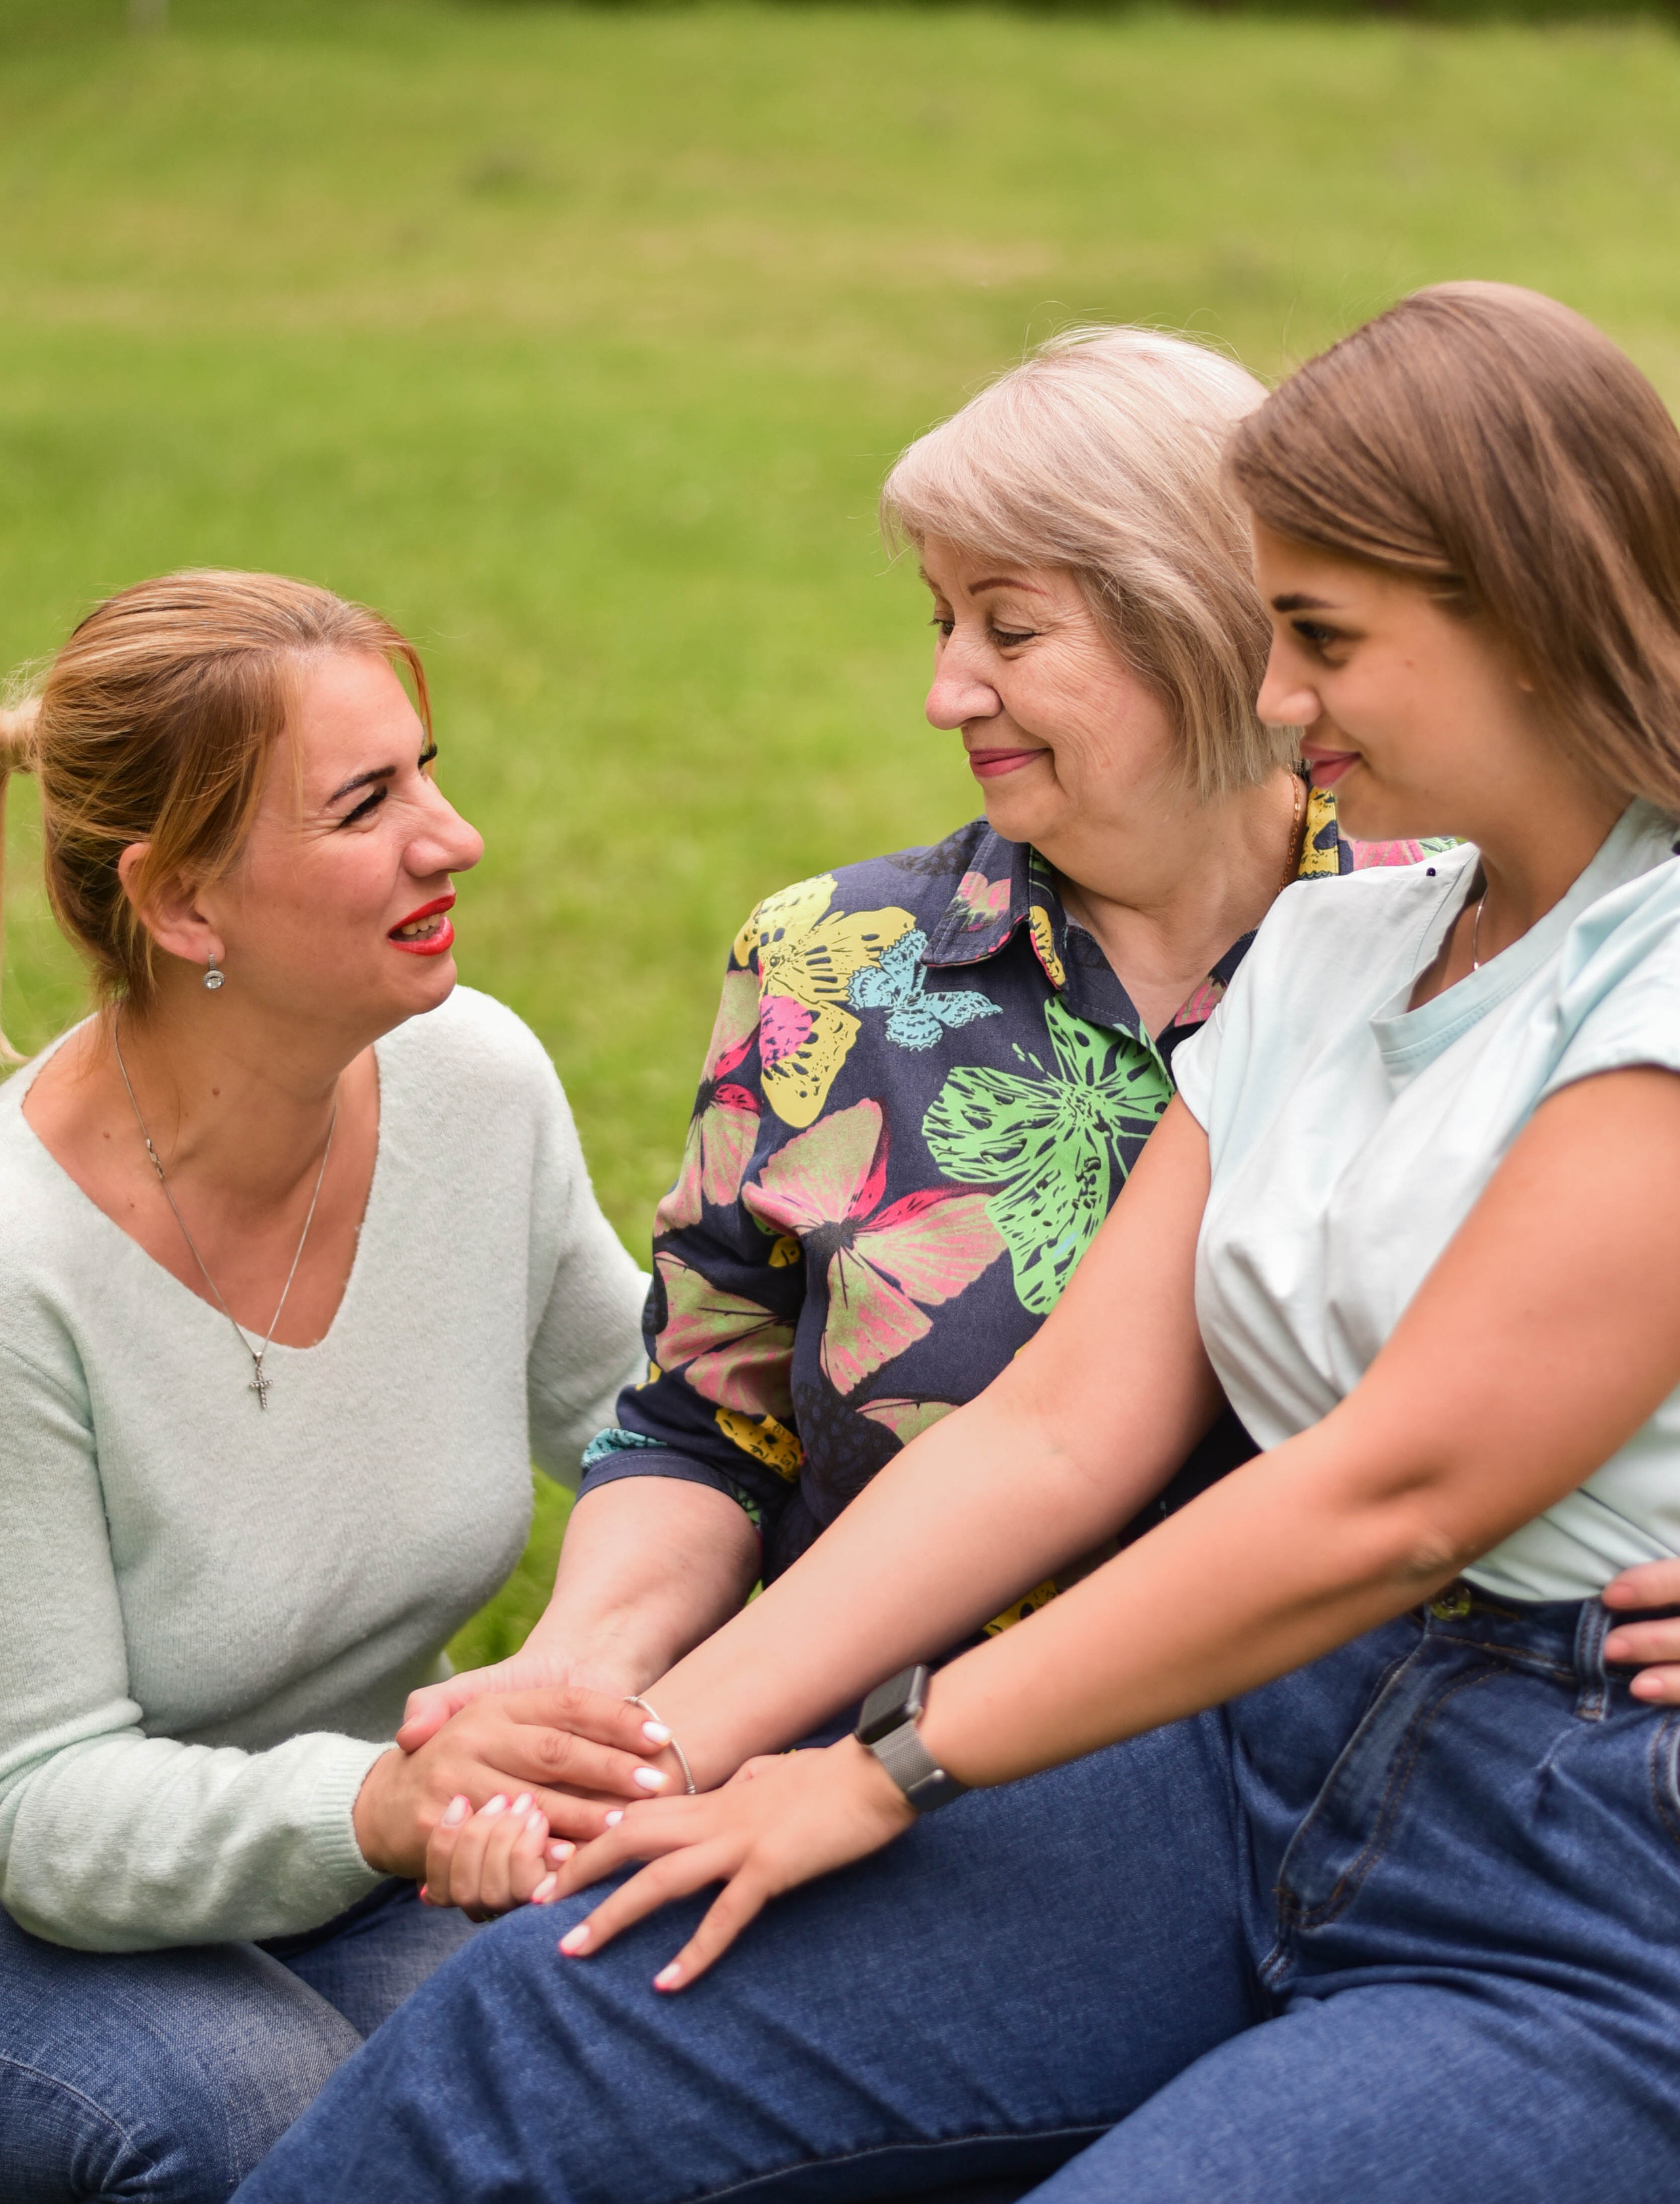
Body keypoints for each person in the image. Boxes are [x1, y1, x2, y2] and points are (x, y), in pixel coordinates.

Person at [238, 283, 1680, 2204]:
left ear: (1518, 613)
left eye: (1322, 640)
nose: (1281, 697)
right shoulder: (1353, 941)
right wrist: (646, 1759)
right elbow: (1059, 1426)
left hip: (1583, 1847)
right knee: (551, 2015)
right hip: (1258, 1747)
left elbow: (1388, 1494)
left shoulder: (1638, 976)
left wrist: (885, 1771)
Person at [396, 328, 1443, 1911]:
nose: (944, 687)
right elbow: (703, 1416)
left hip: (1345, 1804)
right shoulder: (829, 969)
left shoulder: (1452, 947)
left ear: (1201, 620)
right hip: (841, 1790)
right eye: (942, 620)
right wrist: (578, 1706)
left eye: (1008, 629)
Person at [0, 573, 674, 2201]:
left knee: (602, 2068)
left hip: (349, 1852)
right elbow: (45, 1803)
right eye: (367, 805)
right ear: (181, 907)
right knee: (277, 2116)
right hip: (41, 1899)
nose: (453, 840)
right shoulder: (21, 1267)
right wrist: (383, 1803)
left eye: (427, 773)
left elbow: (658, 1430)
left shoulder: (472, 1082)